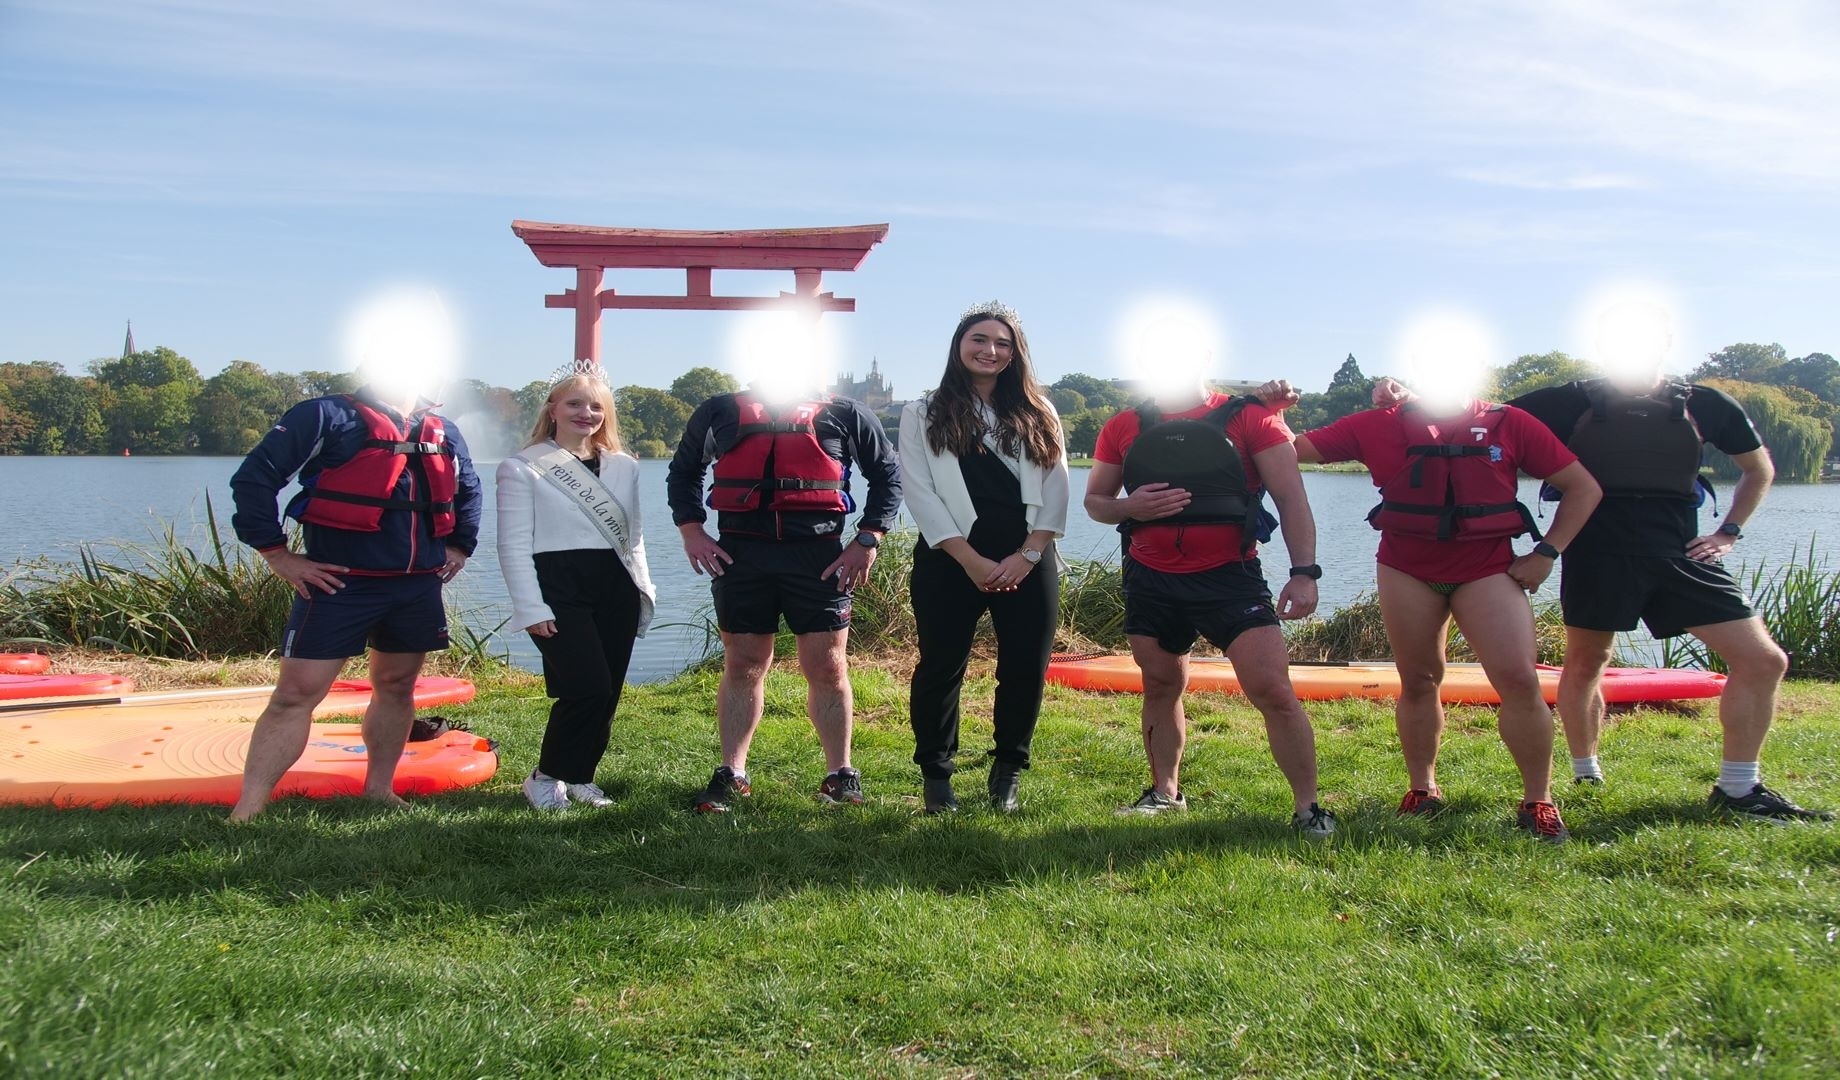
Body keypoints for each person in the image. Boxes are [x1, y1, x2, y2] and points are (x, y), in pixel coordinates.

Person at [1501, 304, 1832, 822]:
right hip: (1597, 548)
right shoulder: (1568, 401)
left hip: (1679, 549)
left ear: (1665, 343)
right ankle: (1586, 771)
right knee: (1587, 661)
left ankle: (1739, 789)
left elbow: (1758, 468)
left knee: (1764, 660)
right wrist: (1406, 399)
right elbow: (1477, 419)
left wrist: (1728, 532)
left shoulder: (1704, 404)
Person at [1281, 371, 1601, 843]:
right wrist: (1272, 410)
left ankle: (1538, 801)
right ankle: (1422, 788)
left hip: (1487, 569)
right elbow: (1288, 449)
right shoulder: (1378, 423)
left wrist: (1546, 554)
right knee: (1419, 679)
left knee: (1519, 680)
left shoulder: (1509, 422)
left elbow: (1583, 487)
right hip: (1406, 568)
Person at [227, 335, 481, 821]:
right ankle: (249, 806)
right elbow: (254, 479)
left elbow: (468, 490)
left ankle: (379, 789)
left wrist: (459, 546)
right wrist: (277, 554)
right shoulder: (324, 416)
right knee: (296, 693)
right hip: (339, 582)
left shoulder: (443, 430)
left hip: (415, 585)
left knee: (397, 685)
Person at [1084, 369, 1338, 838]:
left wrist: (1304, 573)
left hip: (1231, 577)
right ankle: (1165, 794)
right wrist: (1129, 507)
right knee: (1161, 685)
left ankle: (1309, 809)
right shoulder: (1124, 424)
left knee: (1273, 690)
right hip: (1151, 577)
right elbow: (1096, 501)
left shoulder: (1252, 418)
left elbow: (1291, 499)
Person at [666, 355, 902, 813]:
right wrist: (692, 531)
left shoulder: (846, 412)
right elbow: (684, 471)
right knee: (743, 663)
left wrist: (868, 539)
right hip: (741, 553)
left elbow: (887, 475)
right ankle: (732, 772)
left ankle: (840, 774)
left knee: (828, 666)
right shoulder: (719, 410)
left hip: (818, 555)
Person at [899, 301, 1071, 814]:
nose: (989, 350)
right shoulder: (922, 411)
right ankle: (937, 776)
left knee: (1025, 667)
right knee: (940, 666)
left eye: (1002, 343)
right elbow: (920, 492)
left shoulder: (1039, 410)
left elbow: (1057, 486)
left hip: (1028, 556)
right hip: (949, 558)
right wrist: (968, 559)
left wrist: (1029, 554)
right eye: (979, 339)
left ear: (1015, 353)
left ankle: (1008, 771)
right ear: (959, 345)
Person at [496, 364, 657, 810]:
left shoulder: (624, 466)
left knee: (609, 690)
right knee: (585, 686)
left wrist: (643, 590)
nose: (586, 413)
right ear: (552, 410)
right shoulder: (522, 467)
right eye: (574, 404)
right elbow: (512, 545)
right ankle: (544, 777)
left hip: (616, 586)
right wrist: (531, 607)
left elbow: (634, 538)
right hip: (558, 587)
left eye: (596, 406)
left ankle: (581, 775)